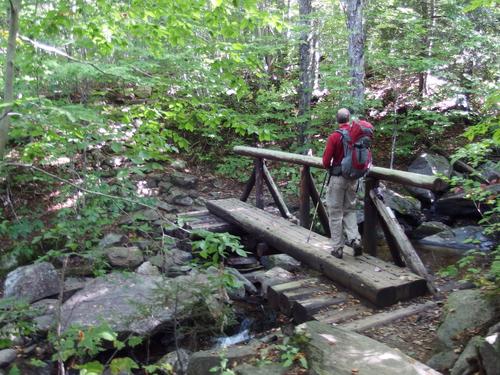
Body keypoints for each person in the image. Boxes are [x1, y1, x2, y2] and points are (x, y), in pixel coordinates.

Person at [322, 108, 363, 259]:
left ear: (337, 119)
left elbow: (326, 161)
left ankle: (337, 248)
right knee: (350, 210)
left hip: (338, 178)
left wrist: (330, 167)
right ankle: (355, 239)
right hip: (353, 178)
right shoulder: (356, 136)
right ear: (349, 119)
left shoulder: (334, 136)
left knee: (335, 213)